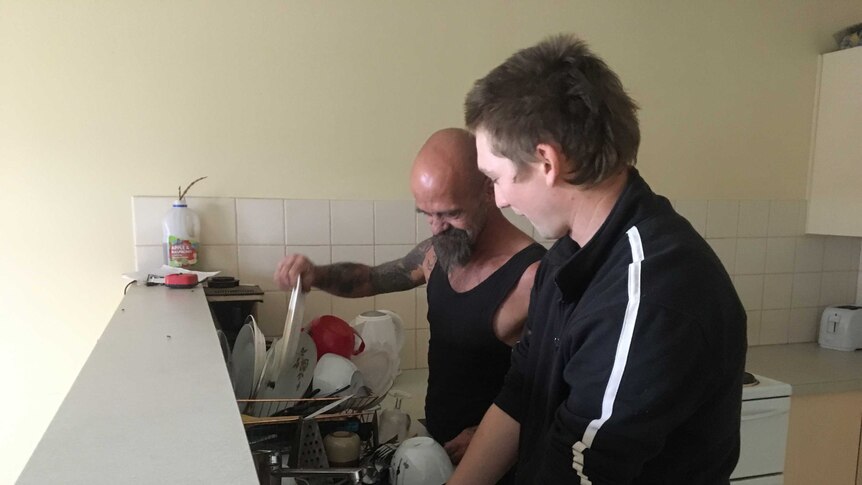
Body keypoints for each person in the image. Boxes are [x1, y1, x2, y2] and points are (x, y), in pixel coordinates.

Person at [448, 34, 747, 485]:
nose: (501, 200)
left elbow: (580, 474)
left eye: (497, 178)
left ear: (546, 162)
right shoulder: (566, 260)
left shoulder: (648, 296)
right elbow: (520, 395)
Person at [273, 128, 545, 478]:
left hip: (500, 464)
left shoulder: (532, 277)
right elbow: (372, 278)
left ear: (488, 189)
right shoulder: (436, 254)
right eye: (426, 215)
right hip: (438, 444)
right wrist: (316, 275)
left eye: (448, 214)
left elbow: (558, 391)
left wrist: (486, 435)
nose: (435, 228)